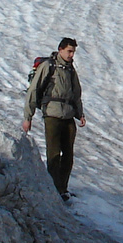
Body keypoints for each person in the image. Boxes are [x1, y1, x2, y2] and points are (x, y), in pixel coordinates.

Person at [22, 37, 86, 198]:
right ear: (60, 50)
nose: (72, 55)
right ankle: (52, 189)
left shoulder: (70, 70)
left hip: (68, 115)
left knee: (68, 156)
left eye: (73, 52)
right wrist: (27, 117)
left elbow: (76, 93)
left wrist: (80, 114)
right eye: (69, 51)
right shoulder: (48, 66)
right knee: (54, 153)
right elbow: (34, 90)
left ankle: (62, 189)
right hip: (52, 115)